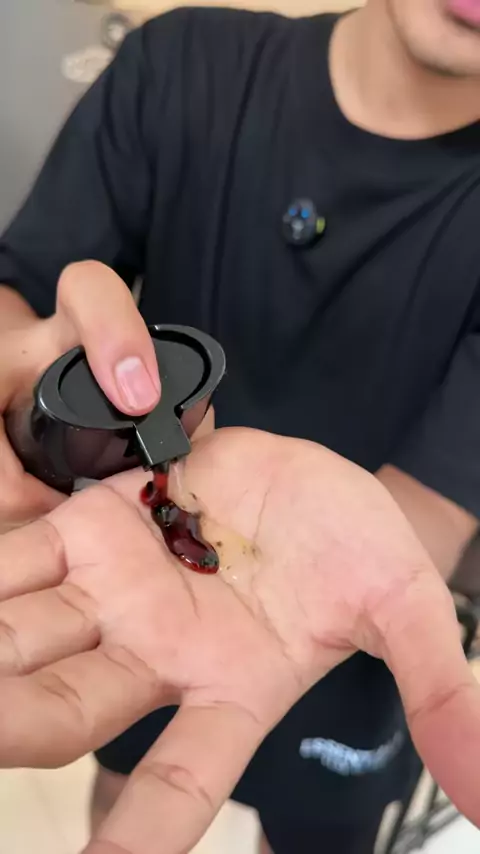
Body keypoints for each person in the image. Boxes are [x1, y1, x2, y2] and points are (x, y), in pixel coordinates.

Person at [0, 0, 479, 850]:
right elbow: (25, 297)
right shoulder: (180, 68)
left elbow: (441, 499)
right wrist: (34, 393)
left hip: (351, 642)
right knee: (131, 783)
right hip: (133, 590)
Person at [1, 428, 480, 854]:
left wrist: (435, 496)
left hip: (346, 639)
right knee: (130, 773)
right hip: (142, 575)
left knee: (312, 825)